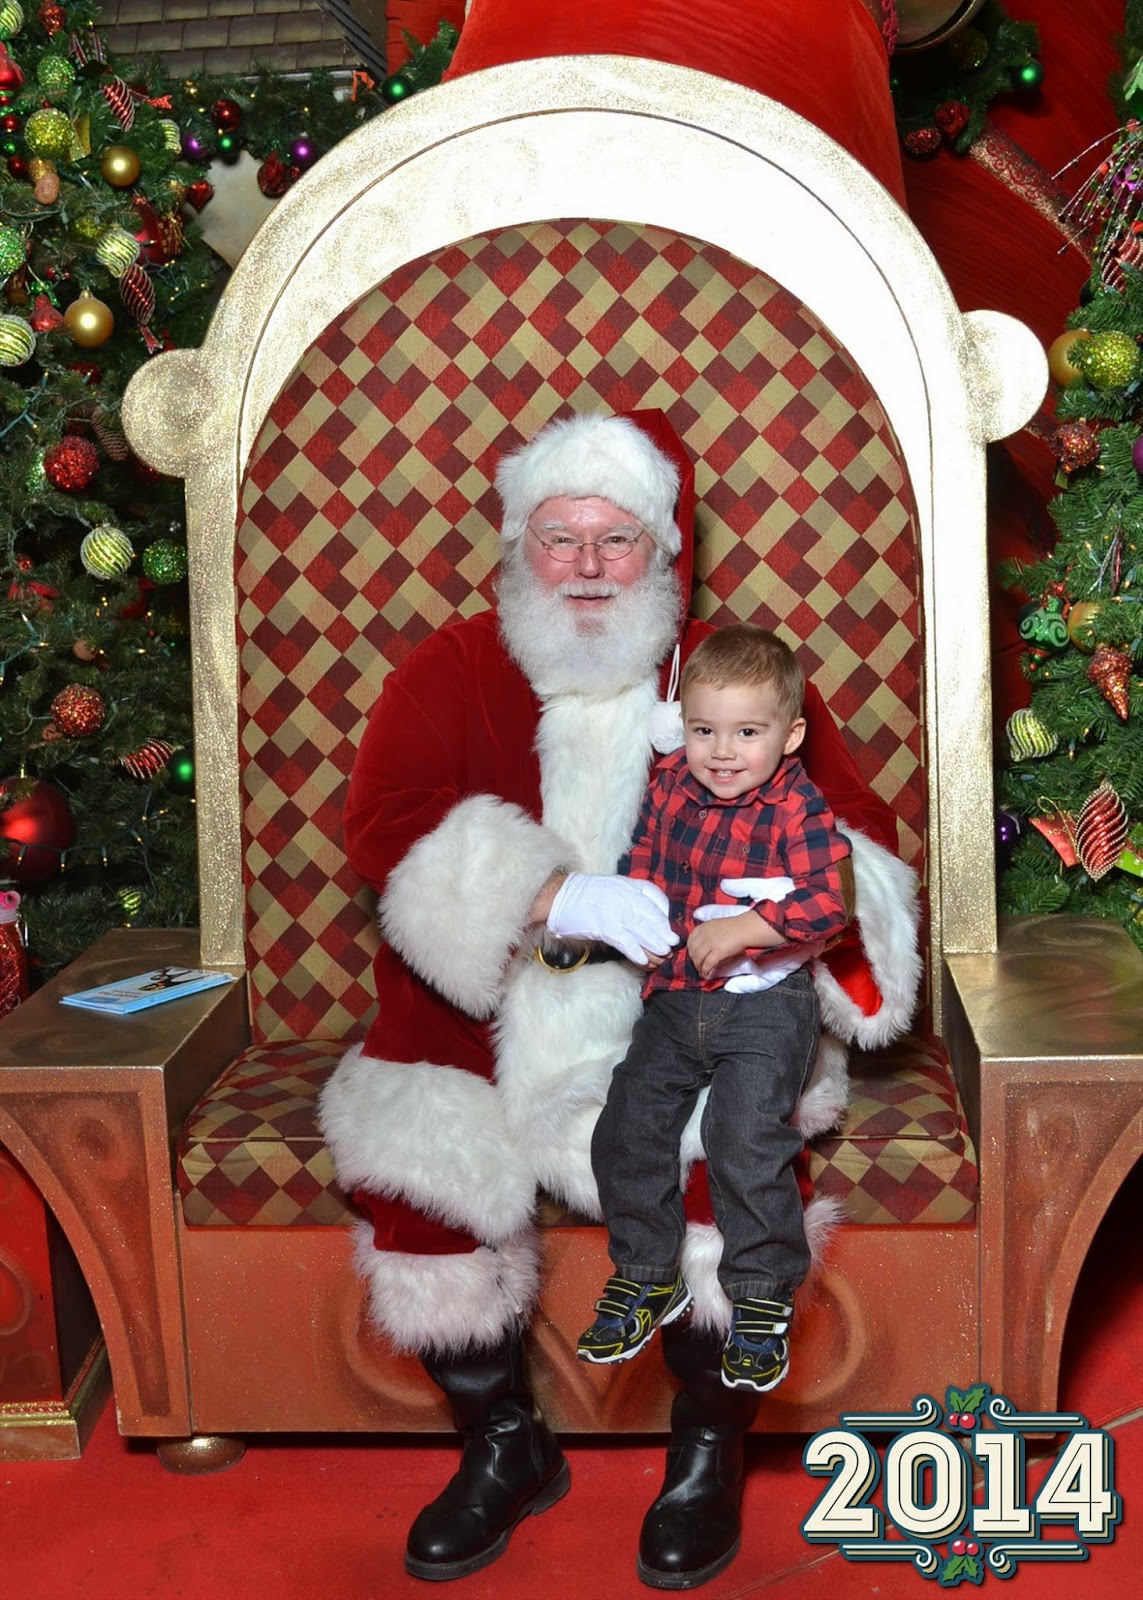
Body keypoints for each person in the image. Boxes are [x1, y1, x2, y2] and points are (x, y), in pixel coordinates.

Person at [318, 410, 920, 1589]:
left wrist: (754, 910)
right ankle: (504, 1445)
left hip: (693, 1008)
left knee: (728, 1182)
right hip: (482, 1012)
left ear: (663, 551)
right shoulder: (454, 666)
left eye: (617, 539)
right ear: (520, 547)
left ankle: (706, 1453)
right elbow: (382, 821)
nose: (588, 565)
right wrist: (547, 892)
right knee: (420, 1176)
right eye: (561, 537)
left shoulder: (730, 672)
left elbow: (852, 832)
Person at [578, 624, 850, 1399]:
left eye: (746, 733)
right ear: (681, 726)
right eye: (703, 730)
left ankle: (760, 1294)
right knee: (625, 1126)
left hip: (768, 1005)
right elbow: (642, 862)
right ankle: (646, 1272)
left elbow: (829, 902)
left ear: (788, 736)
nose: (721, 752)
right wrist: (627, 916)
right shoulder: (670, 782)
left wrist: (748, 928)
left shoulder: (797, 807)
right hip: (676, 997)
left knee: (742, 1134)